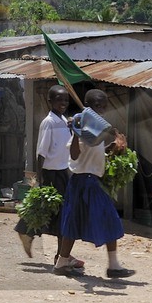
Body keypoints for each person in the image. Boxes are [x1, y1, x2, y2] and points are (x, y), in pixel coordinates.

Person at [54, 89, 134, 279]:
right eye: (97, 106)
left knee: (76, 221)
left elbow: (98, 155)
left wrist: (115, 147)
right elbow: (74, 155)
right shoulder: (82, 126)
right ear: (89, 106)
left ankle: (63, 262)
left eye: (104, 106)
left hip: (92, 180)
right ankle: (112, 266)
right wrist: (75, 132)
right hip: (83, 181)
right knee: (107, 218)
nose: (101, 109)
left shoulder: (96, 129)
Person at [16, 85, 73, 261]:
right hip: (51, 173)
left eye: (65, 100)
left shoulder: (63, 120)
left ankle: (59, 253)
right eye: (59, 100)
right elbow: (41, 152)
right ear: (50, 101)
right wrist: (39, 177)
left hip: (63, 172)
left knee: (56, 212)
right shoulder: (48, 122)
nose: (63, 103)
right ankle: (27, 232)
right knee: (52, 210)